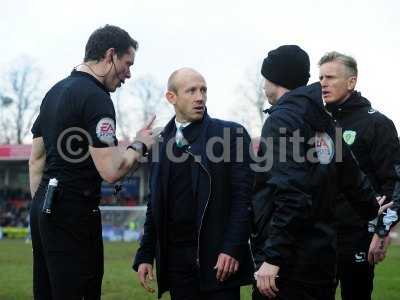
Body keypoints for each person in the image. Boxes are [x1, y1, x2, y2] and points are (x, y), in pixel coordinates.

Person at [251, 45, 391, 300]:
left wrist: (273, 257)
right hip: (323, 261)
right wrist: (371, 207)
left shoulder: (282, 120)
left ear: (277, 79)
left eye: (265, 78)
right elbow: (353, 177)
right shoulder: (324, 119)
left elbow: (292, 194)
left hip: (289, 265)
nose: (263, 86)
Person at [28, 24, 156, 300]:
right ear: (110, 55)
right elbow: (111, 171)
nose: (129, 74)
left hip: (42, 210)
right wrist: (140, 144)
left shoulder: (53, 93)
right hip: (74, 213)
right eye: (127, 63)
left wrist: (41, 217)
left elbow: (36, 161)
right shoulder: (97, 98)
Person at [133, 67, 255, 299]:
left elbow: (243, 199)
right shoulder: (159, 143)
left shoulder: (231, 134)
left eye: (203, 90)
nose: (200, 97)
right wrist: (145, 254)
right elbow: (154, 204)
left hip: (219, 261)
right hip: (177, 264)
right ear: (172, 97)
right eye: (191, 91)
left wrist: (231, 248)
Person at [319, 51, 400, 300]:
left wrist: (381, 232)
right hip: (320, 237)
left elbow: (395, 183)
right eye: (320, 77)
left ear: (351, 82)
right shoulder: (318, 124)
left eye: (330, 77)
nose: (323, 83)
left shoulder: (377, 124)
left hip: (358, 236)